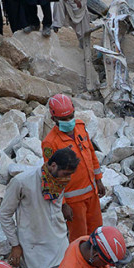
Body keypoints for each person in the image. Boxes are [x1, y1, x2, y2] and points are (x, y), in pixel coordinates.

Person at [0, 147, 79, 268]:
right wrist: (15, 245)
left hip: (59, 242)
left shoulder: (58, 181)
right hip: (36, 248)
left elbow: (55, 202)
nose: (67, 179)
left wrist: (63, 206)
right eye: (65, 173)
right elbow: (5, 214)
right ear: (52, 165)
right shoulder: (22, 182)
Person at [42, 94, 106, 240]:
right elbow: (51, 177)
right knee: (79, 238)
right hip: (74, 201)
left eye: (70, 117)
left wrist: (99, 179)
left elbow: (91, 154)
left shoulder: (80, 127)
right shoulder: (50, 143)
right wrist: (63, 204)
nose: (68, 121)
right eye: (63, 119)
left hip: (92, 193)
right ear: (53, 119)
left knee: (97, 232)